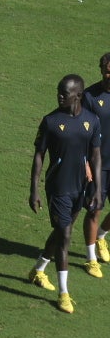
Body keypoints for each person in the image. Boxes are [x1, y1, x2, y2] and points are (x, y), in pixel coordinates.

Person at [30, 73, 104, 313]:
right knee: (65, 235)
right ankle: (64, 293)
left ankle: (38, 270)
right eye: (58, 92)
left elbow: (95, 156)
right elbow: (39, 155)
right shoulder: (51, 122)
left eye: (65, 93)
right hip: (58, 188)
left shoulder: (91, 121)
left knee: (61, 231)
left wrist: (97, 189)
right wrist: (35, 189)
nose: (59, 96)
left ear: (78, 95)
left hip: (80, 187)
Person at [81, 53, 110, 275]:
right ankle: (91, 258)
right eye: (108, 70)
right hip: (98, 164)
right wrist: (85, 163)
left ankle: (100, 235)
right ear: (101, 70)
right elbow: (82, 133)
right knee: (94, 210)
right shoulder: (90, 97)